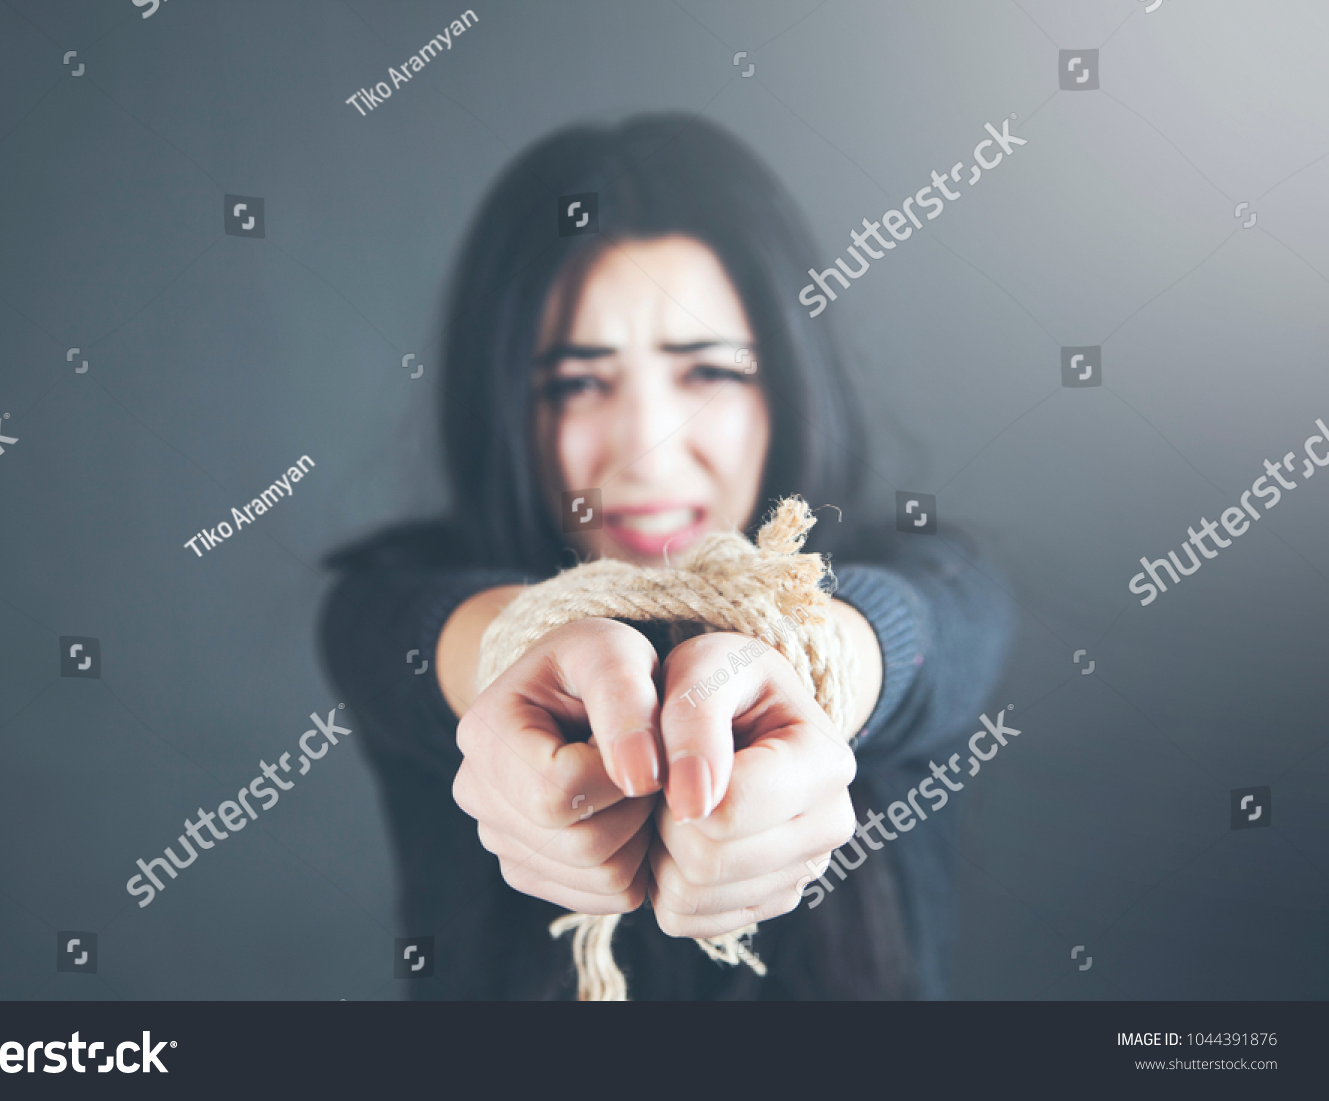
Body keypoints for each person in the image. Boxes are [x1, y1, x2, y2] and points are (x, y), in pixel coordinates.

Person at [320, 113, 1014, 1000]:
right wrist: (524, 660)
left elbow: (920, 638)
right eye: (577, 383)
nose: (645, 451)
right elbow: (426, 644)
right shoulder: (386, 599)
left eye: (708, 372)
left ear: (788, 389)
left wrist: (804, 663)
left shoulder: (941, 582)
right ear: (503, 409)